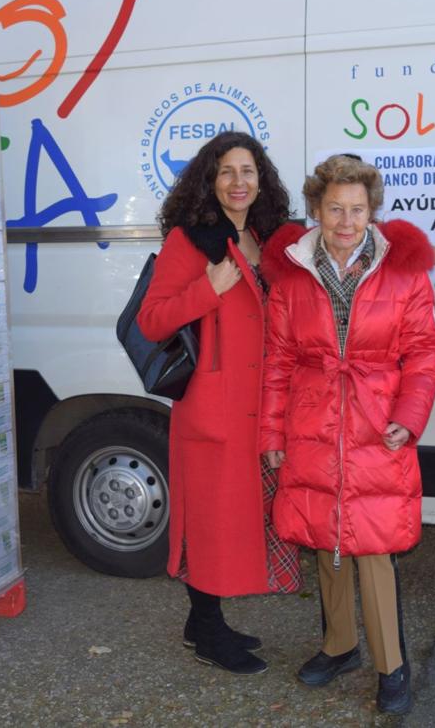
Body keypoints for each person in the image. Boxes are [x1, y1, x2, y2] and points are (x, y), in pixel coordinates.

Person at [261, 154, 435, 716]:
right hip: (313, 421)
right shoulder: (293, 273)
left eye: (357, 209)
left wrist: (409, 417)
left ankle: (393, 664)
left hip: (376, 422)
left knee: (374, 546)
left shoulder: (401, 269)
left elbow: (424, 352)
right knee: (326, 538)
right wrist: (272, 433)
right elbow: (278, 360)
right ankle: (339, 647)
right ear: (316, 208)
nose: (345, 221)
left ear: (373, 210)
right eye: (335, 208)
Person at [137, 130, 299, 676]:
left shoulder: (268, 237)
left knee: (242, 517)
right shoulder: (192, 241)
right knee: (212, 522)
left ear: (261, 180)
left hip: (262, 404)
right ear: (210, 180)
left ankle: (201, 624)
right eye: (227, 171)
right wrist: (208, 286)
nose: (238, 182)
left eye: (248, 171)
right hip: (214, 407)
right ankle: (207, 630)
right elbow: (152, 319)